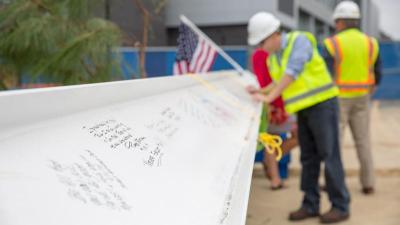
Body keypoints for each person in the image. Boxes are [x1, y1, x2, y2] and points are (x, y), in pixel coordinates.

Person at [247, 12, 350, 223]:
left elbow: (293, 72)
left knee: (330, 155)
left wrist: (270, 97)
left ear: (273, 35)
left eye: (261, 42)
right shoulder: (274, 58)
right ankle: (310, 204)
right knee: (308, 158)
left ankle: (340, 205)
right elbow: (278, 83)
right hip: (303, 110)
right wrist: (260, 91)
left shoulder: (299, 40)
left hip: (323, 105)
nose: (260, 48)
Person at [322, 1, 382, 195]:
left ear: (340, 22)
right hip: (363, 97)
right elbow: (378, 72)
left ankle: (332, 182)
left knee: (334, 143)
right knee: (363, 141)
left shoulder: (332, 43)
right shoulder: (371, 43)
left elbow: (325, 74)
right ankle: (368, 183)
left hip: (338, 99)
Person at [251, 48, 298, 190]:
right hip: (277, 104)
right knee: (281, 139)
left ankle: (273, 172)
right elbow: (271, 80)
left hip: (276, 103)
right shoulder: (266, 55)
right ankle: (275, 177)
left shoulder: (262, 54)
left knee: (273, 142)